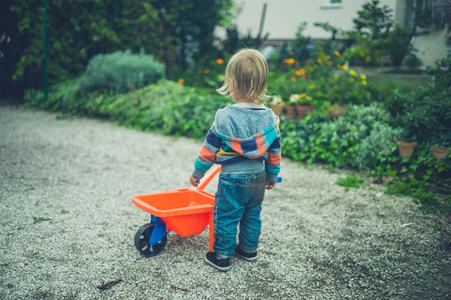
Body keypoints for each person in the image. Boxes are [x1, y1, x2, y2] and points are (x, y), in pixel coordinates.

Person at [189, 49, 281, 272]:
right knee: (252, 213)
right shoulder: (270, 117)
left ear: (231, 83)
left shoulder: (224, 116)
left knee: (227, 216)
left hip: (232, 178)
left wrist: (197, 174)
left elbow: (208, 151)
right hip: (258, 177)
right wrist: (272, 176)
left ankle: (221, 256)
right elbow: (275, 152)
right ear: (261, 84)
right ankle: (249, 249)